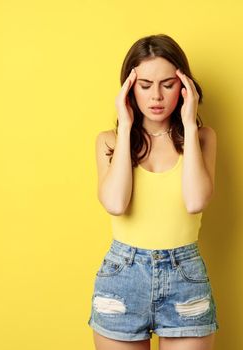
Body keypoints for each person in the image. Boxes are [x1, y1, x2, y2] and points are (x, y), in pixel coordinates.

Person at [88, 34, 218, 350]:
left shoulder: (201, 139)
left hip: (185, 277)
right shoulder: (109, 141)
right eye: (145, 85)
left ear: (184, 87)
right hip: (122, 278)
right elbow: (116, 204)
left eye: (167, 84)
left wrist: (188, 124)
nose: (156, 96)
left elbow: (196, 200)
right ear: (129, 89)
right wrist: (125, 124)